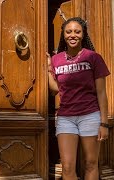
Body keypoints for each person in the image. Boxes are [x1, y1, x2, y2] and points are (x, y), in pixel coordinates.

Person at [47, 17, 110, 180]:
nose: (72, 35)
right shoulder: (56, 59)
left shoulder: (93, 57)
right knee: (67, 168)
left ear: (83, 35)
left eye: (77, 31)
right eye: (69, 32)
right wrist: (48, 69)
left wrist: (104, 123)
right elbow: (55, 90)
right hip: (66, 117)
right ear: (64, 35)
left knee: (90, 163)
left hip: (90, 115)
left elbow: (101, 92)